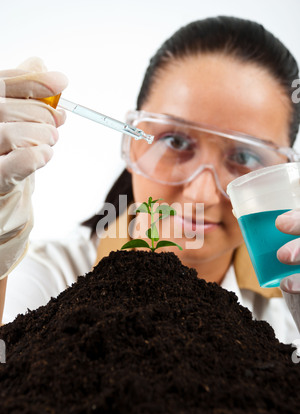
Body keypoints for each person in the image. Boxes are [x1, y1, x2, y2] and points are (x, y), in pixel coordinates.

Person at [1, 17, 300, 345]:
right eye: (175, 142)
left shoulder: (289, 311)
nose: (202, 194)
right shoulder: (48, 280)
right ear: (133, 142)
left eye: (244, 157)